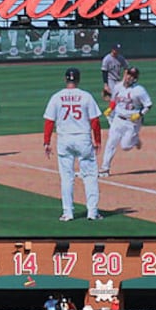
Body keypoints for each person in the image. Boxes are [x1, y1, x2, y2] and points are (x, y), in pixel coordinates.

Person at [43, 67, 103, 221]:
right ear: (78, 79)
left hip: (64, 140)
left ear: (65, 79)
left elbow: (49, 121)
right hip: (83, 139)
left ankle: (68, 213)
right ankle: (92, 212)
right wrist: (97, 140)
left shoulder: (57, 97)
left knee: (66, 177)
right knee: (90, 176)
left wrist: (46, 142)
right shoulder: (86, 96)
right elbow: (95, 121)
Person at [99, 66, 152, 177]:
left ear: (135, 79)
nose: (129, 77)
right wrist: (110, 108)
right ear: (125, 74)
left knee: (125, 146)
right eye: (128, 74)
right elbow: (114, 100)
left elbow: (148, 105)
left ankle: (135, 140)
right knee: (111, 143)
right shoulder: (117, 87)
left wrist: (139, 114)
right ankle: (105, 168)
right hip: (118, 119)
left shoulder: (139, 90)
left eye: (132, 76)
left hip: (132, 122)